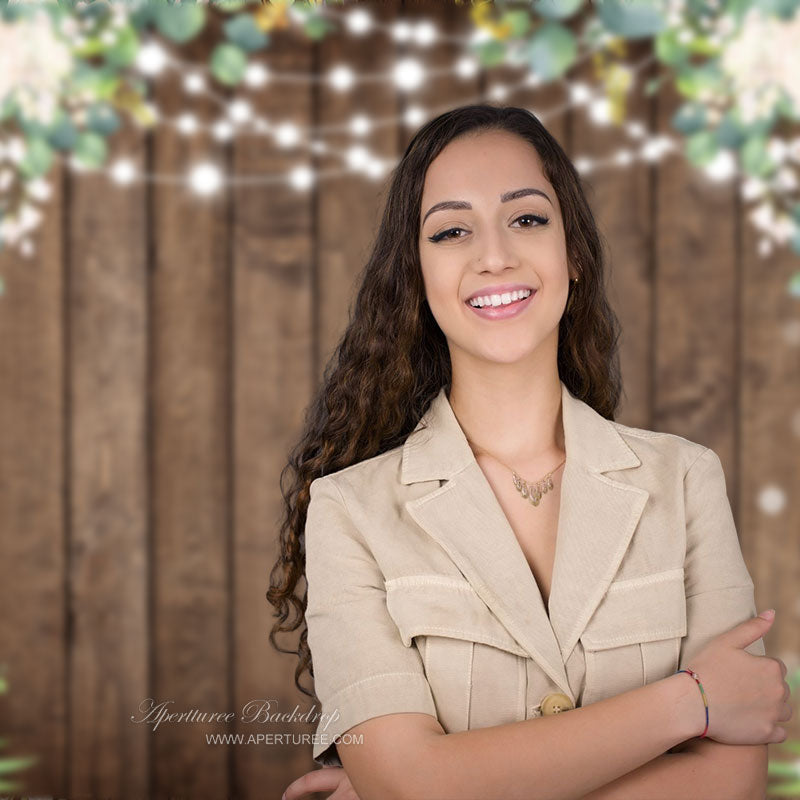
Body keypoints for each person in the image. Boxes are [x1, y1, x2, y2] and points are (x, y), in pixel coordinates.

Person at [268, 104, 791, 800]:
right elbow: (409, 785)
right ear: (416, 276)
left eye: (527, 218)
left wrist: (439, 784)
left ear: (571, 251)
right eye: (452, 231)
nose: (494, 256)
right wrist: (690, 702)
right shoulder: (348, 512)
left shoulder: (686, 480)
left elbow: (732, 785)